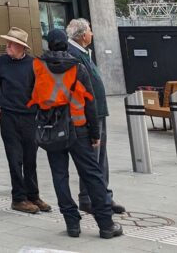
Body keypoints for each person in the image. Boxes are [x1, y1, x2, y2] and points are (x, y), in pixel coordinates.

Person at [31, 29, 122, 239]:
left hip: (52, 130)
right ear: (66, 43)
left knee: (59, 176)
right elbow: (90, 102)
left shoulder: (38, 67)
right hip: (78, 129)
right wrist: (95, 132)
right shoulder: (77, 67)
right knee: (92, 174)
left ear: (49, 44)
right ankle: (106, 224)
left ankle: (71, 223)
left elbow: (32, 97)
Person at [65, 18, 126, 215]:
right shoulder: (73, 54)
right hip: (87, 115)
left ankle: (103, 195)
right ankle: (90, 198)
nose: (92, 33)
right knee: (92, 157)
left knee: (100, 157)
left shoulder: (83, 53)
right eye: (90, 30)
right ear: (83, 35)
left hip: (97, 112)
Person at [0, 27, 50, 214]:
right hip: (8, 116)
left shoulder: (34, 64)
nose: (7, 46)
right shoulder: (1, 62)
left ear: (22, 47)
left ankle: (33, 195)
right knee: (15, 159)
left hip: (29, 117)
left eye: (12, 43)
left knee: (30, 158)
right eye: (7, 42)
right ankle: (18, 199)